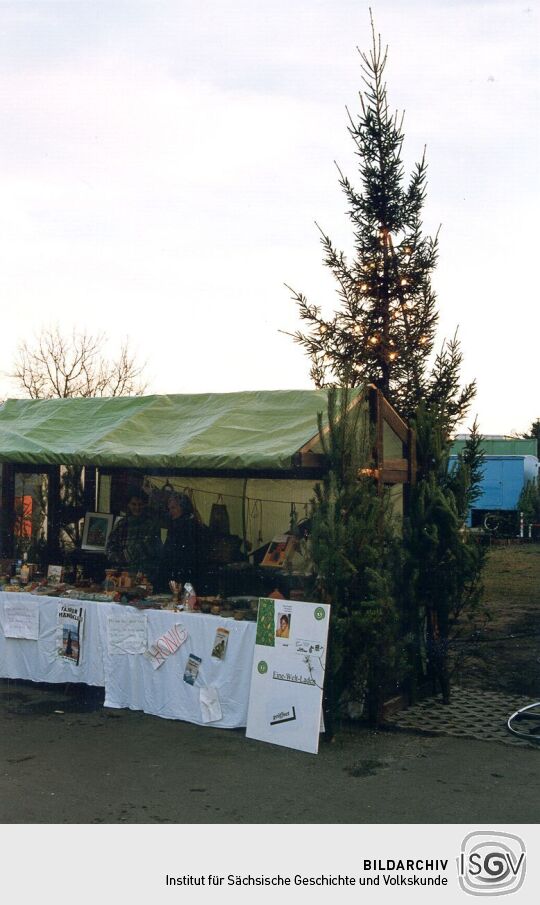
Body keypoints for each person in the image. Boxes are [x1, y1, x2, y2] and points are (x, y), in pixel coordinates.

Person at [105, 488, 162, 583]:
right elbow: (109, 548)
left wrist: (124, 557)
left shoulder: (151, 524)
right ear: (128, 505)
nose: (137, 507)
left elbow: (149, 548)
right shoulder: (121, 524)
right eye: (134, 504)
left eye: (140, 504)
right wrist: (117, 558)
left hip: (144, 574)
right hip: (122, 574)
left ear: (145, 505)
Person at [159, 492, 205, 590]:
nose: (171, 511)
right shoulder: (174, 524)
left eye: (173, 508)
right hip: (175, 571)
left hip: (186, 572)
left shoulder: (190, 525)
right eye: (169, 508)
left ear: (183, 508)